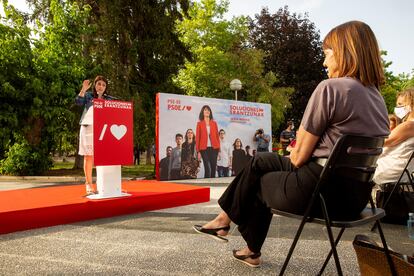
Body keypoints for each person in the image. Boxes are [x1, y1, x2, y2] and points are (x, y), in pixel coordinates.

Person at [193, 21, 389, 268]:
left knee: (258, 181)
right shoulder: (377, 97)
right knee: (259, 160)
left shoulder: (331, 88)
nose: (324, 63)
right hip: (354, 198)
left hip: (319, 193)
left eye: (327, 54)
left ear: (344, 51)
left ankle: (237, 234)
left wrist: (295, 150)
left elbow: (297, 159)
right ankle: (229, 227)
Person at [75, 75, 114, 196]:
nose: (101, 86)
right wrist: (83, 89)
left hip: (102, 130)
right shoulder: (88, 96)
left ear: (105, 87)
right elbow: (78, 102)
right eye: (99, 84)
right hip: (88, 128)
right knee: (88, 156)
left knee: (102, 157)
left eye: (103, 85)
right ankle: (89, 185)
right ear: (95, 85)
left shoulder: (109, 100)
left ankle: (102, 185)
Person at [373, 88, 414, 187]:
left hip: (390, 170)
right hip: (403, 171)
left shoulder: (408, 125)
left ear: (411, 105)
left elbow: (382, 142)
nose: (397, 108)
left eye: (400, 104)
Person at [196, 105, 220, 178]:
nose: (207, 111)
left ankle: (213, 186)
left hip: (214, 148)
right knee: (207, 168)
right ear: (202, 112)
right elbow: (197, 138)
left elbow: (217, 136)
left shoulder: (214, 123)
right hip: (204, 149)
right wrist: (198, 152)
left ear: (210, 112)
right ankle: (207, 184)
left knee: (213, 168)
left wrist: (219, 150)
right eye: (205, 110)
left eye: (208, 110)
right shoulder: (199, 124)